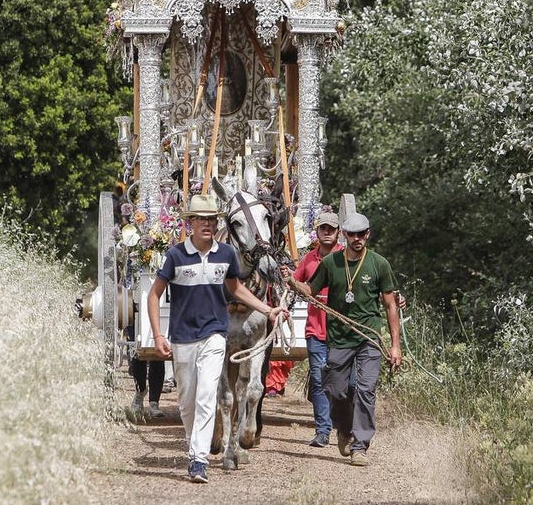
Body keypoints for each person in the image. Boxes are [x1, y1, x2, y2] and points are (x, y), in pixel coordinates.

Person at [147, 192, 287, 484]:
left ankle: (199, 460)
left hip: (214, 335)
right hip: (183, 338)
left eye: (211, 219)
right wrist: (158, 334)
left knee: (209, 395)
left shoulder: (225, 254)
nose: (207, 224)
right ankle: (194, 442)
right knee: (187, 402)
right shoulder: (175, 256)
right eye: (201, 219)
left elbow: (236, 289)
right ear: (191, 223)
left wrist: (267, 309)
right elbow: (154, 293)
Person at [286, 212, 402, 467]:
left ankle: (360, 445)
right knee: (335, 390)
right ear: (345, 236)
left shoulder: (379, 264)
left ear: (368, 234)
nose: (358, 239)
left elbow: (391, 306)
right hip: (338, 339)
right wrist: (293, 282)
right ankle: (344, 429)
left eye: (362, 234)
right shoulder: (330, 263)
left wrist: (395, 345)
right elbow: (311, 292)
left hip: (368, 336)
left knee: (365, 389)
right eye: (353, 234)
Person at [291, 210, 343, 446]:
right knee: (320, 379)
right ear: (317, 232)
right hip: (315, 329)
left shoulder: (347, 257)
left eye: (332, 229)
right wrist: (289, 279)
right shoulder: (309, 259)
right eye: (323, 228)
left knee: (342, 382)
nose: (327, 233)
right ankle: (323, 430)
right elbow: (296, 282)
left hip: (342, 330)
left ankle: (342, 424)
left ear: (338, 232)